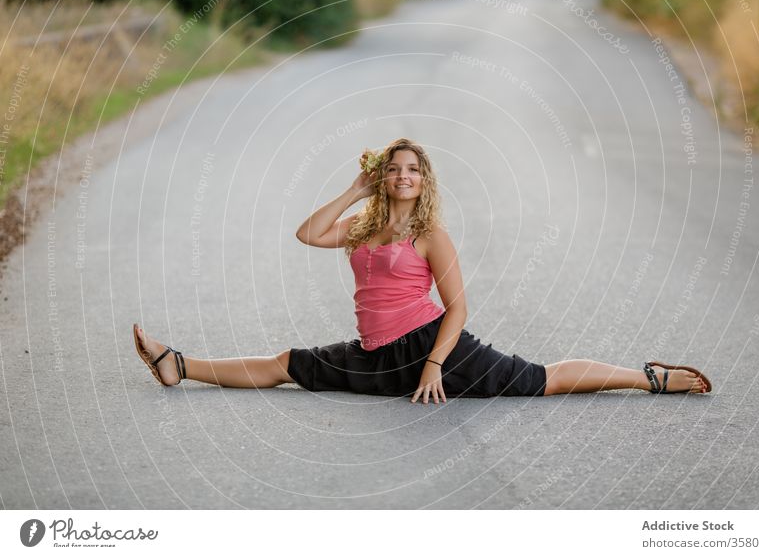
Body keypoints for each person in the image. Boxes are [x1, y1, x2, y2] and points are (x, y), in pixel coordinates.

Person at [134, 137, 711, 404]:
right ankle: (178, 365)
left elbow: (458, 307)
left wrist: (435, 365)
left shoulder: (431, 234)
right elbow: (307, 233)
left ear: (423, 180)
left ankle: (650, 378)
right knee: (289, 365)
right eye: (393, 169)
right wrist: (352, 189)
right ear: (382, 178)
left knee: (542, 379)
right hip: (375, 351)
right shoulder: (362, 223)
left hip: (433, 347)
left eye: (412, 169)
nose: (403, 175)